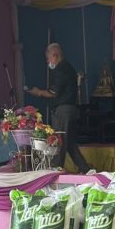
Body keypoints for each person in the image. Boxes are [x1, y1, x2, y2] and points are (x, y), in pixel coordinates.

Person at [27, 43, 91, 174]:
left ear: (55, 55)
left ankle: (55, 169)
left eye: (48, 58)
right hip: (71, 109)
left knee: (59, 140)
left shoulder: (60, 69)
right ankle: (86, 169)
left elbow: (53, 93)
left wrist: (38, 92)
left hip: (63, 111)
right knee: (70, 143)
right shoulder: (69, 67)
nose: (48, 62)